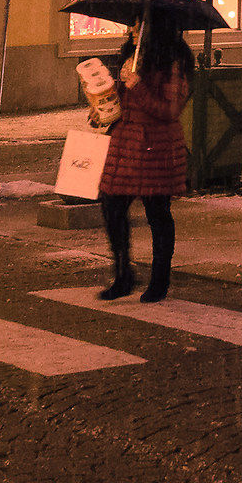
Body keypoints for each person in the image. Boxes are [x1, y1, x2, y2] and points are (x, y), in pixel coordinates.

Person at [96, 23, 193, 302]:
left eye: (138, 25)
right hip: (125, 145)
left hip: (156, 148)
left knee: (157, 213)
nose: (132, 30)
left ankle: (160, 279)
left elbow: (170, 109)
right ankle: (123, 273)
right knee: (112, 207)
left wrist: (137, 86)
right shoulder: (131, 56)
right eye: (132, 25)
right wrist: (105, 100)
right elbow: (125, 102)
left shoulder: (173, 61)